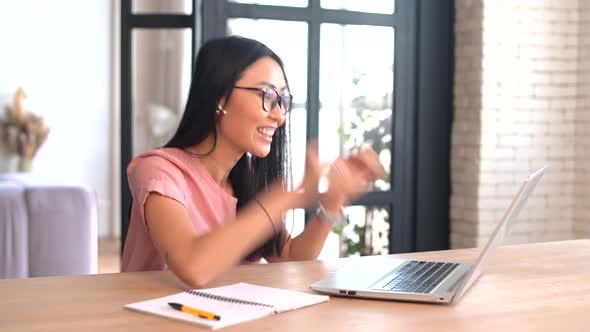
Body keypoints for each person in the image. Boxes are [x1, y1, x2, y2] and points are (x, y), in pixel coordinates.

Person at [121, 36, 384, 287]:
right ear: (220, 98)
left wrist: (333, 203)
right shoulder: (159, 172)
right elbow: (192, 266)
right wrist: (286, 198)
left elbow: (291, 257)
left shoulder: (245, 177)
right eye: (268, 96)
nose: (280, 116)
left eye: (282, 100)